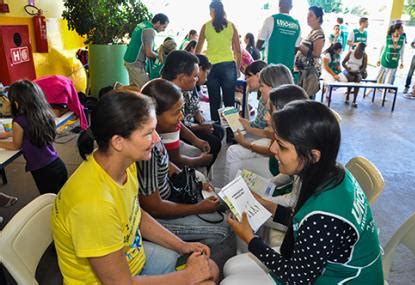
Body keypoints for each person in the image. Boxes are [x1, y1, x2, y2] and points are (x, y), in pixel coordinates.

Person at [51, 90, 219, 284]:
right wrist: (188, 276)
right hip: (117, 280)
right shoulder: (93, 205)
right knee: (204, 279)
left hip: (132, 259)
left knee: (210, 269)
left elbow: (134, 214)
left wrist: (181, 245)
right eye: (148, 133)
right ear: (118, 142)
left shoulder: (125, 164)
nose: (156, 140)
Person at [223, 100, 384, 284]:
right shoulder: (333, 172)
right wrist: (267, 204)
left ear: (314, 156)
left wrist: (250, 239)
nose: (272, 148)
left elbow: (297, 279)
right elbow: (304, 223)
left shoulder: (324, 214)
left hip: (338, 279)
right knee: (230, 268)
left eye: (282, 146)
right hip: (318, 267)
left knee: (229, 281)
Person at [139, 79, 232, 247]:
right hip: (158, 216)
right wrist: (199, 208)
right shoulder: (146, 149)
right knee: (222, 228)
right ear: (153, 115)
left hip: (172, 194)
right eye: (176, 113)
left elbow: (166, 164)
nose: (181, 117)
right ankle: (179, 251)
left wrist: (194, 183)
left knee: (227, 199)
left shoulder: (154, 133)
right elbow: (154, 208)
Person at [222, 64, 293, 186]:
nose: (260, 89)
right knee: (235, 155)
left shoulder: (281, 114)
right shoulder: (285, 105)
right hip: (278, 165)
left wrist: (247, 144)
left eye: (262, 86)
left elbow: (271, 149)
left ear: (273, 87)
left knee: (236, 162)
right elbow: (267, 134)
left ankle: (229, 194)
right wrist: (246, 127)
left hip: (280, 170)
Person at [0, 80, 68, 195]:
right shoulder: (43, 113)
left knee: (50, 201)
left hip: (42, 171)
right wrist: (7, 134)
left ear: (16, 103)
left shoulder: (19, 121)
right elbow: (28, 130)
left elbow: (16, 145)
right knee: (63, 197)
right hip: (57, 164)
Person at [160, 50, 216, 169]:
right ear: (182, 78)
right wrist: (199, 161)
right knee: (210, 147)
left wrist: (196, 140)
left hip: (173, 143)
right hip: (167, 154)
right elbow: (175, 159)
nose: (197, 80)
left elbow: (180, 124)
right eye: (195, 76)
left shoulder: (169, 89)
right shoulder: (166, 99)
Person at [196, 0, 241, 123]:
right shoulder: (231, 26)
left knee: (214, 102)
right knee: (229, 102)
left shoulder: (206, 26)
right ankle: (233, 133)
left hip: (211, 67)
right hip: (228, 66)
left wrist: (198, 69)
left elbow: (197, 51)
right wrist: (237, 69)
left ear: (212, 10)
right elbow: (238, 51)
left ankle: (217, 130)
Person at [124, 13, 169, 88]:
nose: (164, 30)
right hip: (136, 63)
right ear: (158, 23)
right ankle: (116, 91)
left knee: (133, 87)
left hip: (129, 59)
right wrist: (161, 56)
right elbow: (149, 53)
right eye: (163, 27)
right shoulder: (150, 30)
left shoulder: (143, 24)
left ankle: (119, 92)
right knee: (147, 87)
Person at [257, 0, 301, 71]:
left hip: (271, 66)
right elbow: (296, 49)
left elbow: (260, 42)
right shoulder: (297, 25)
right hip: (287, 68)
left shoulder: (271, 19)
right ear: (291, 7)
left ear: (279, 4)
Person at [295, 6, 325, 99]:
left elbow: (316, 53)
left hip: (309, 74)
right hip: (303, 73)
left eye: (311, 15)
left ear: (318, 18)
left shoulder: (319, 34)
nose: (308, 18)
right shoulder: (312, 32)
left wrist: (300, 47)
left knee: (305, 100)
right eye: (307, 15)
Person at [342, 42, 368, 106]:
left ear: (363, 50)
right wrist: (347, 68)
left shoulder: (364, 55)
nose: (358, 51)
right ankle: (348, 95)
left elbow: (364, 67)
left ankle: (354, 100)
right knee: (351, 78)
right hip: (348, 70)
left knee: (358, 79)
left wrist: (359, 71)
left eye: (360, 50)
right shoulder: (351, 52)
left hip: (357, 71)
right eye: (358, 48)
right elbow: (343, 63)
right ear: (356, 47)